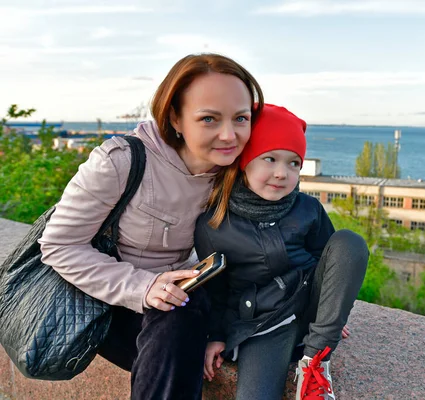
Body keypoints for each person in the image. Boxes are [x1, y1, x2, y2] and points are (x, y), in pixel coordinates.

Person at [39, 53, 264, 399]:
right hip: (109, 306)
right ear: (175, 117)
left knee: (184, 307)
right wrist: (143, 286)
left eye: (241, 118)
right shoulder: (122, 161)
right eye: (208, 119)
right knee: (180, 310)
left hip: (185, 314)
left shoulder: (241, 175)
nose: (229, 134)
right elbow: (58, 244)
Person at [195, 104, 369, 400]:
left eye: (293, 164)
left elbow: (331, 262)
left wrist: (332, 312)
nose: (282, 173)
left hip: (310, 310)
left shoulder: (307, 208)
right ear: (245, 161)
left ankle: (314, 365)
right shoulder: (214, 224)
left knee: (349, 242)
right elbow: (215, 289)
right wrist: (216, 335)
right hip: (264, 324)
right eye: (270, 159)